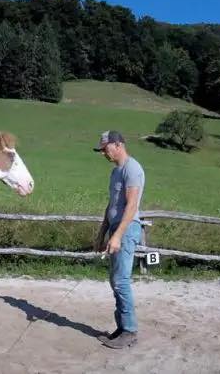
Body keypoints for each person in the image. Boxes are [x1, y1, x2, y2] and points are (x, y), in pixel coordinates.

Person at [92, 130, 145, 349]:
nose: (104, 153)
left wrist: (118, 235)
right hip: (116, 229)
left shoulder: (132, 169)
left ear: (117, 145)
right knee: (115, 281)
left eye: (105, 149)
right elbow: (111, 206)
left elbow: (131, 206)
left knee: (121, 280)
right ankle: (122, 327)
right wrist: (102, 233)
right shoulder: (116, 172)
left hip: (127, 229)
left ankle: (130, 331)